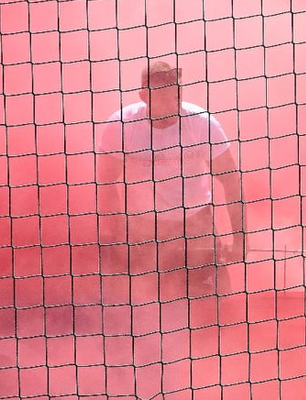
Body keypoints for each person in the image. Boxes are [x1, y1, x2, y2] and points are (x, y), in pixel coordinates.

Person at [97, 59, 243, 296]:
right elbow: (105, 182)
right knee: (143, 304)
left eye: (175, 95)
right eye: (162, 96)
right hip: (142, 229)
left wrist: (240, 238)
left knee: (212, 304)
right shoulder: (121, 125)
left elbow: (231, 180)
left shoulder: (201, 123)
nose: (171, 102)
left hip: (196, 225)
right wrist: (114, 236)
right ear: (144, 96)